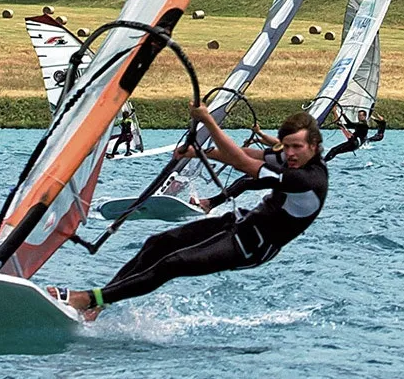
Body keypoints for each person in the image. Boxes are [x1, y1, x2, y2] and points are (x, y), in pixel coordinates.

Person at [49, 103, 328, 320]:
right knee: (159, 243)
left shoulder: (308, 180)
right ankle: (99, 304)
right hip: (238, 224)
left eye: (297, 147)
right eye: (287, 146)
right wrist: (198, 153)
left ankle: (87, 298)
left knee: (172, 264)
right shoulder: (292, 160)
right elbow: (251, 155)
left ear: (314, 147)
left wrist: (208, 121)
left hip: (252, 247)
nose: (290, 153)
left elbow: (243, 163)